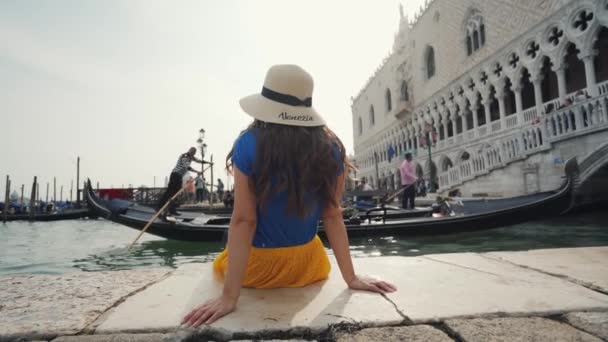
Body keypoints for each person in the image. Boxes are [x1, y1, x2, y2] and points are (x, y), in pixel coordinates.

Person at [182, 65, 396, 327]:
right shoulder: (332, 147)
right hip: (308, 266)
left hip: (256, 271)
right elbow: (332, 215)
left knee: (224, 254)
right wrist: (351, 278)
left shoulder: (248, 143)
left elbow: (244, 221)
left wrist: (229, 297)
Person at [156, 147, 202, 217]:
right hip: (175, 175)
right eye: (192, 152)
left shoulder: (191, 157)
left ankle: (172, 210)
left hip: (179, 176)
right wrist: (197, 172)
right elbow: (187, 167)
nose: (193, 154)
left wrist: (208, 163)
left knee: (176, 194)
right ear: (190, 151)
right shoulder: (185, 156)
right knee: (169, 192)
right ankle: (159, 207)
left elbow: (198, 160)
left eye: (194, 153)